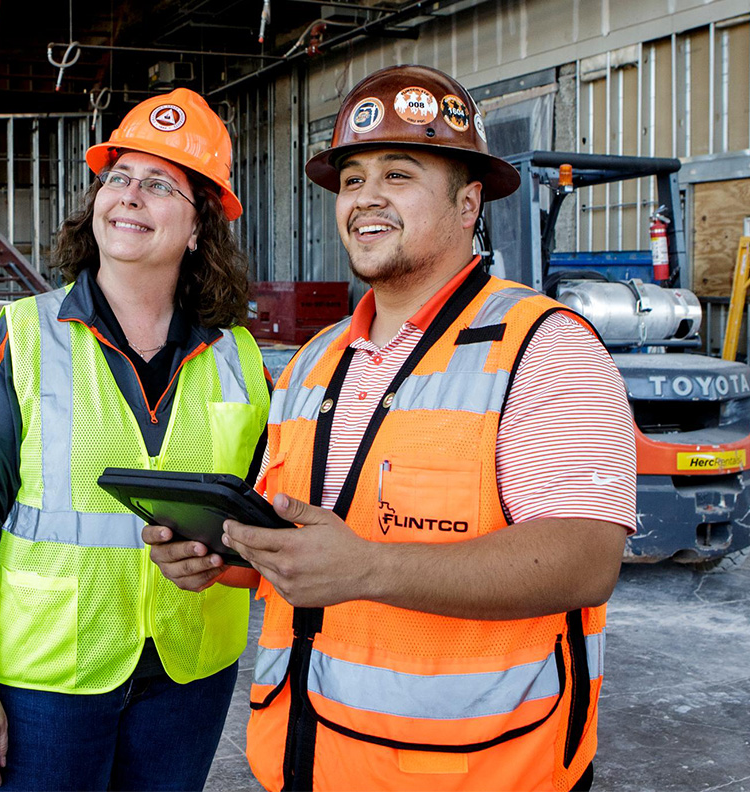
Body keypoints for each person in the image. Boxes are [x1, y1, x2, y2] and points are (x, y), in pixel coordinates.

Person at [145, 65, 636, 792]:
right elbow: (303, 537)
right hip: (306, 760)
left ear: (469, 203)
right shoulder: (314, 361)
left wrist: (371, 568)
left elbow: (586, 558)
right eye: (352, 180)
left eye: (399, 174)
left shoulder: (543, 346)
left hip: (480, 772)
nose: (366, 198)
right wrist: (225, 559)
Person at [0, 87, 270, 791]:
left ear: (200, 226)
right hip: (50, 679)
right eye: (118, 178)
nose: (129, 196)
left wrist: (230, 560)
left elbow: (268, 513)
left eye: (159, 185)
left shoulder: (240, 358)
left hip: (190, 674)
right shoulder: (26, 334)